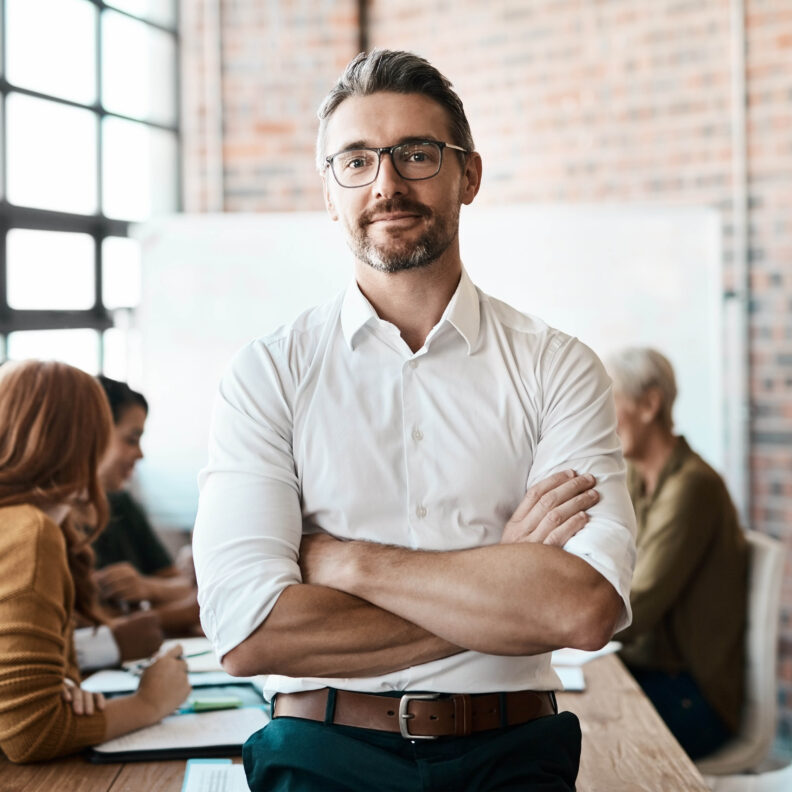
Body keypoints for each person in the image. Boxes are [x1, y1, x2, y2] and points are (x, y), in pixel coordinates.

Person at [193, 49, 636, 791]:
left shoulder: (558, 367)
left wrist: (347, 561)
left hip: (513, 753)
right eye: (357, 161)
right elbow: (247, 635)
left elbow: (583, 607)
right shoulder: (267, 373)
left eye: (417, 155)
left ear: (470, 175)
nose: (387, 184)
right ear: (329, 192)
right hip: (320, 751)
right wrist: (501, 569)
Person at [0, 360, 191, 763]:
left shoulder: (24, 524)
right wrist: (151, 702)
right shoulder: (31, 532)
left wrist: (49, 686)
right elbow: (30, 736)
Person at [607, 347, 747, 759]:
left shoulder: (692, 486)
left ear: (649, 404)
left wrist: (548, 625)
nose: (600, 417)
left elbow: (635, 606)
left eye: (609, 401)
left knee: (575, 739)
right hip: (647, 672)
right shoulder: (633, 476)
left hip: (694, 696)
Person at [91, 376, 200, 636]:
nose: (140, 454)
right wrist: (186, 609)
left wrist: (146, 587)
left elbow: (181, 584)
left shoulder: (121, 504)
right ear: (96, 434)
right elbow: (98, 626)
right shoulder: (46, 520)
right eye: (131, 439)